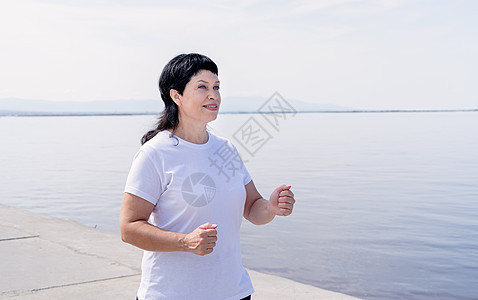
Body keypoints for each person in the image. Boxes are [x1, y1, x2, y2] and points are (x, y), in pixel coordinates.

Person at [119, 53, 295, 300]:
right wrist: (185, 242)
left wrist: (271, 207)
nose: (213, 95)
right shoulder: (155, 153)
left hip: (233, 292)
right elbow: (129, 228)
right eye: (202, 87)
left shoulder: (226, 150)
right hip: (171, 294)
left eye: (216, 87)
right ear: (176, 95)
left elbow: (253, 208)